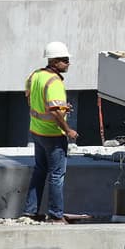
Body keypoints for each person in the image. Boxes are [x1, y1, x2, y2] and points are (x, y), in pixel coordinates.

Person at [22, 42, 78, 224]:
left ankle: (30, 212)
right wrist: (68, 129)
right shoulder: (54, 82)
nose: (68, 63)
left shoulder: (35, 75)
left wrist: (62, 109)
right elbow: (54, 111)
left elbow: (32, 99)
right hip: (53, 135)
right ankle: (55, 215)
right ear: (54, 62)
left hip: (36, 131)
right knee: (56, 175)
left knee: (39, 171)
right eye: (64, 60)